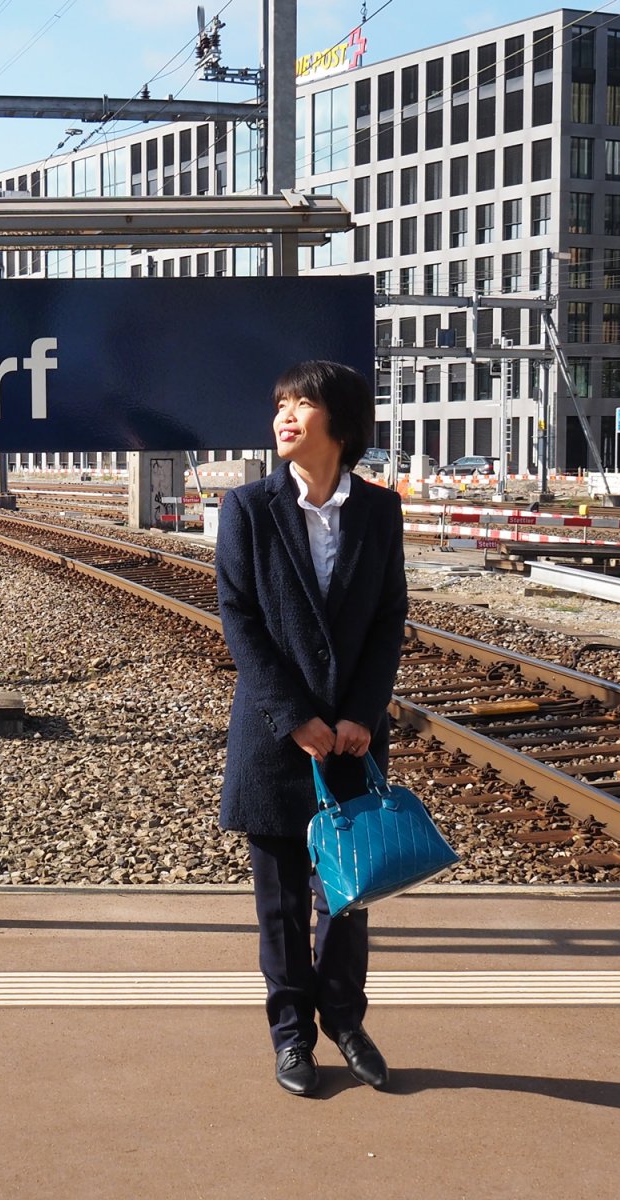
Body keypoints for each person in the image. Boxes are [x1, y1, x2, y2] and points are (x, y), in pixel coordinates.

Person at [214, 360, 408, 1096]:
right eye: (281, 403)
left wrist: (361, 712)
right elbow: (240, 619)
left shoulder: (379, 513)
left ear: (342, 423)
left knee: (351, 898)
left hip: (354, 739)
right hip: (275, 739)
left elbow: (390, 617)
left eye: (303, 403)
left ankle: (346, 1021)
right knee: (283, 906)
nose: (286, 415)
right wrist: (295, 717)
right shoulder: (249, 508)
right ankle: (292, 1037)